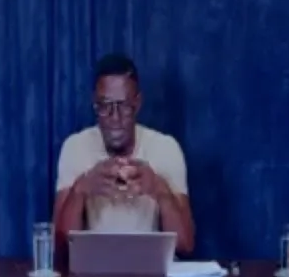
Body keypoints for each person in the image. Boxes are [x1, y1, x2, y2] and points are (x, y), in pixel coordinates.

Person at [53, 53, 194, 255]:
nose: (115, 117)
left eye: (124, 106)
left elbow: (185, 244)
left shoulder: (165, 148)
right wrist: (81, 190)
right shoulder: (75, 147)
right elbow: (59, 245)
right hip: (94, 268)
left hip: (150, 268)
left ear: (137, 103)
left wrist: (160, 190)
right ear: (95, 104)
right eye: (105, 106)